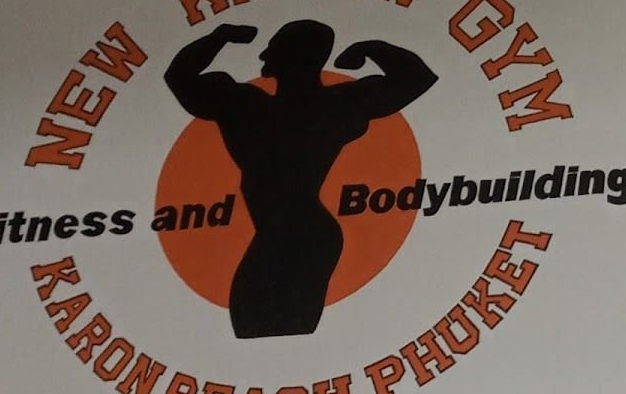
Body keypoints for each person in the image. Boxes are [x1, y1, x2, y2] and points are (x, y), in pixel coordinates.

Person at [164, 19, 437, 338]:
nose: (263, 54)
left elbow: (416, 79)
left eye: (274, 47)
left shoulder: (266, 105)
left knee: (268, 324)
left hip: (302, 234)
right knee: (257, 322)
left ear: (293, 57)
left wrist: (221, 38)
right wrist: (219, 36)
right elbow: (179, 80)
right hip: (291, 233)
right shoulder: (258, 104)